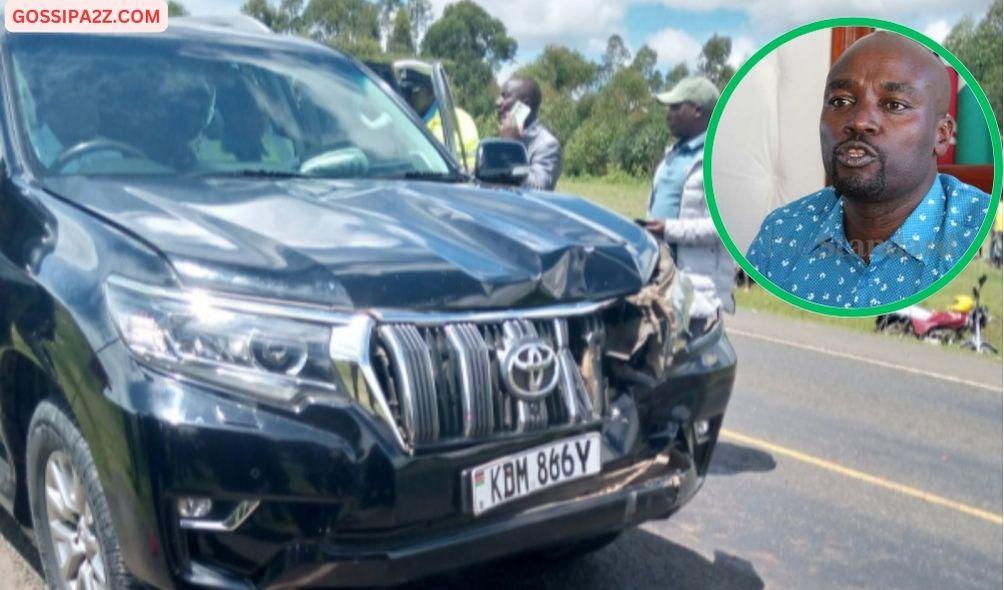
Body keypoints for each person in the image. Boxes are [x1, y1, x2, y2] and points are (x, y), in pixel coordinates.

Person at [746, 32, 991, 308]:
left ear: (941, 135)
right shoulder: (781, 232)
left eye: (894, 105)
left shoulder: (984, 235)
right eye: (840, 102)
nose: (859, 122)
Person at [644, 76, 735, 325]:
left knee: (687, 356)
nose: (668, 114)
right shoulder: (671, 156)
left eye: (676, 107)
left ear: (697, 110)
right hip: (659, 276)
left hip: (695, 284)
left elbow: (724, 228)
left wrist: (668, 229)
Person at [497, 75, 562, 191]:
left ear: (524, 105)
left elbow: (539, 187)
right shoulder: (504, 135)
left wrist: (510, 145)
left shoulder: (547, 145)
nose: (497, 102)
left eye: (505, 96)